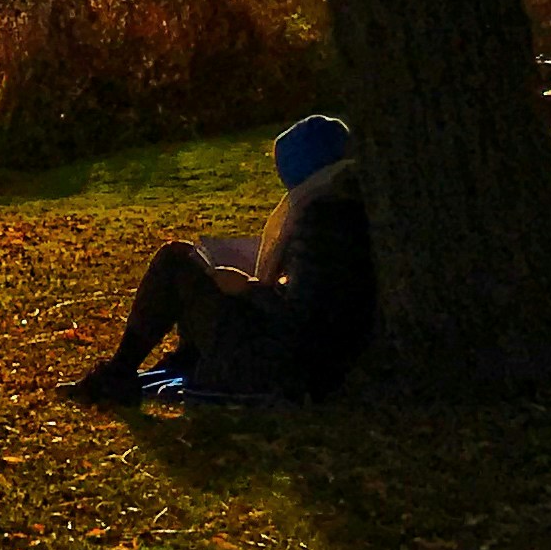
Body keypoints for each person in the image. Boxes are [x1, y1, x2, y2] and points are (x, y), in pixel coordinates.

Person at [64, 114, 377, 405]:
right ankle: (174, 360)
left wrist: (247, 288)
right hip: (299, 360)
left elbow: (301, 320)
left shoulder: (326, 220)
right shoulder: (350, 208)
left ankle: (119, 372)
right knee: (199, 266)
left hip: (276, 366)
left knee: (177, 260)